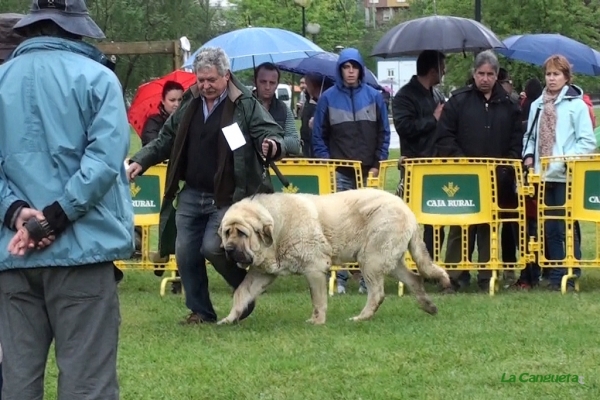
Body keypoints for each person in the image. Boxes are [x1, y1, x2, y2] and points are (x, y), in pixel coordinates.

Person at [0, 1, 133, 399]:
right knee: (87, 383)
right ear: (75, 28)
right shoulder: (99, 79)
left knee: (17, 383)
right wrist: (53, 219)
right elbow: (105, 161)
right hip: (83, 252)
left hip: (13, 254)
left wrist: (17, 214)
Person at [127, 47, 287, 325]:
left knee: (213, 247)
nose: (205, 85)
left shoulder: (244, 104)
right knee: (186, 251)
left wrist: (271, 144)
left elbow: (272, 132)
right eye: (201, 80)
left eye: (211, 80)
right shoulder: (189, 103)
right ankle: (201, 311)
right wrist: (141, 160)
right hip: (192, 191)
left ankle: (245, 291)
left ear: (226, 76)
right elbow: (164, 139)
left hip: (227, 194)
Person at [436, 50, 522, 292]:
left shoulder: (510, 105)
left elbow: (517, 140)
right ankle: (453, 278)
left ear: (497, 76)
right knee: (459, 228)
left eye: (490, 74)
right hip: (463, 176)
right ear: (473, 74)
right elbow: (445, 137)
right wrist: (461, 161)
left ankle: (487, 277)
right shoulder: (458, 101)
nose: (485, 78)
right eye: (481, 73)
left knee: (487, 227)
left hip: (497, 177)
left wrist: (508, 164)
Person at [312, 47, 391, 294]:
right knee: (337, 227)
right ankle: (340, 279)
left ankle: (368, 279)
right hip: (340, 173)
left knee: (370, 227)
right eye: (346, 67)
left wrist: (379, 162)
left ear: (360, 69)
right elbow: (318, 136)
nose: (350, 71)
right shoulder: (327, 98)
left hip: (368, 172)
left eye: (354, 67)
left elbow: (384, 132)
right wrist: (328, 163)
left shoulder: (375, 96)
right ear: (340, 70)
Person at [522, 54, 597, 291]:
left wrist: (565, 160)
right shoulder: (537, 105)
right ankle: (556, 274)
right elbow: (530, 136)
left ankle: (571, 271)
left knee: (567, 226)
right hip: (542, 175)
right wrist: (529, 156)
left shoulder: (576, 105)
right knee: (550, 227)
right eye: (548, 74)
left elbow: (586, 141)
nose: (551, 79)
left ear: (566, 77)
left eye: (556, 74)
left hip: (567, 175)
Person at [392, 50, 447, 260]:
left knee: (437, 218)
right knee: (407, 219)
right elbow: (404, 127)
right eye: (443, 67)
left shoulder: (437, 95)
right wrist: (433, 119)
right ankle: (403, 260)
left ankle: (429, 262)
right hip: (414, 165)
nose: (445, 72)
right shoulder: (404, 97)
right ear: (434, 70)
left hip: (436, 164)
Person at [253, 62, 301, 155]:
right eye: (263, 82)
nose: (267, 87)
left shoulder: (284, 109)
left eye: (272, 83)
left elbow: (295, 144)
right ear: (255, 81)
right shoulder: (244, 106)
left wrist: (275, 141)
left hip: (277, 166)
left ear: (277, 84)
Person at [141, 80, 184, 146]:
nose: (177, 104)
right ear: (163, 101)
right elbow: (153, 147)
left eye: (180, 100)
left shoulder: (188, 119)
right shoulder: (153, 122)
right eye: (172, 100)